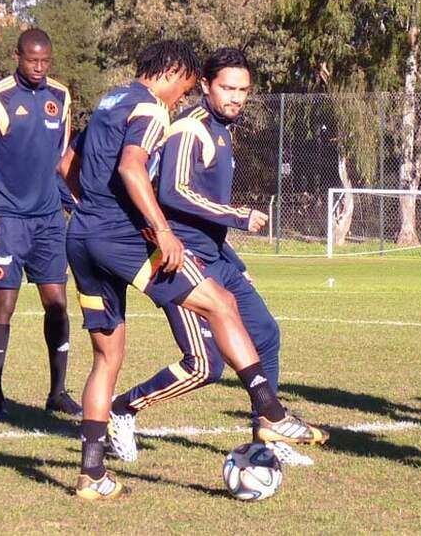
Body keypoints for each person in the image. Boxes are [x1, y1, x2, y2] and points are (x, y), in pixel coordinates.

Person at [61, 40, 327, 501]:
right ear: (177, 72)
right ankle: (270, 410)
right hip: (122, 238)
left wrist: (89, 212)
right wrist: (161, 231)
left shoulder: (111, 99)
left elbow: (67, 164)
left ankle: (92, 475)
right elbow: (131, 167)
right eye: (185, 85)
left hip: (81, 237)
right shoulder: (151, 109)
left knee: (107, 357)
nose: (182, 97)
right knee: (219, 305)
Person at [107, 48, 309, 466]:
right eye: (227, 88)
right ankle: (121, 409)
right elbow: (173, 192)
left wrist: (234, 261)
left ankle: (266, 435)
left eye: (243, 90)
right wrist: (238, 215)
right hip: (182, 262)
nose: (236, 98)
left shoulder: (222, 130)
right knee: (205, 366)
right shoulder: (189, 128)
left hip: (217, 259)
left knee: (266, 334)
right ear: (205, 86)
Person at [0, 28, 81, 419]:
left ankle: (57, 392)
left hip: (49, 221)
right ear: (18, 57)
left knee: (58, 305)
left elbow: (64, 162)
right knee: (4, 307)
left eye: (46, 61)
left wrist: (78, 205)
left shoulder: (60, 96)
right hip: (9, 220)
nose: (40, 68)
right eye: (33, 61)